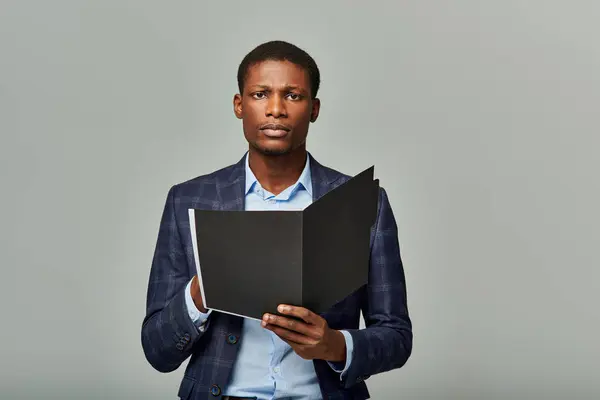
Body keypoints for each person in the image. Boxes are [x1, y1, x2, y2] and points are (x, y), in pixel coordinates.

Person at [141, 40, 412, 400]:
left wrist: (335, 345)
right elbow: (157, 350)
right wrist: (199, 294)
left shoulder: (364, 204)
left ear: (314, 109)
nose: (275, 109)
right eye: (260, 94)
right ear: (239, 105)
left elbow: (396, 336)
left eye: (293, 96)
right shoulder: (188, 200)